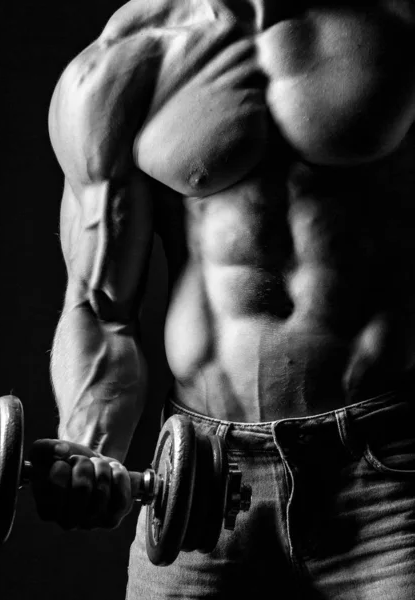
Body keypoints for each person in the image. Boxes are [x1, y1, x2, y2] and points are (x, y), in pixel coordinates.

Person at [30, 1, 415, 597]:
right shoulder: (124, 63)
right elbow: (101, 311)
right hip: (195, 488)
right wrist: (94, 454)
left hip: (388, 474)